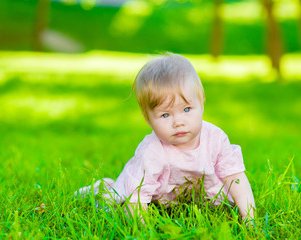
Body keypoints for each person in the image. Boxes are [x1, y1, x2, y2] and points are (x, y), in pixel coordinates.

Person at [75, 53, 255, 221]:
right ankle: (102, 189)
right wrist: (144, 231)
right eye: (165, 115)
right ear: (148, 119)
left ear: (202, 103)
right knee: (113, 205)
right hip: (152, 198)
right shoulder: (152, 150)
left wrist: (250, 219)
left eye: (186, 109)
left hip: (195, 200)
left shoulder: (215, 138)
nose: (178, 122)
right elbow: (136, 201)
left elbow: (235, 177)